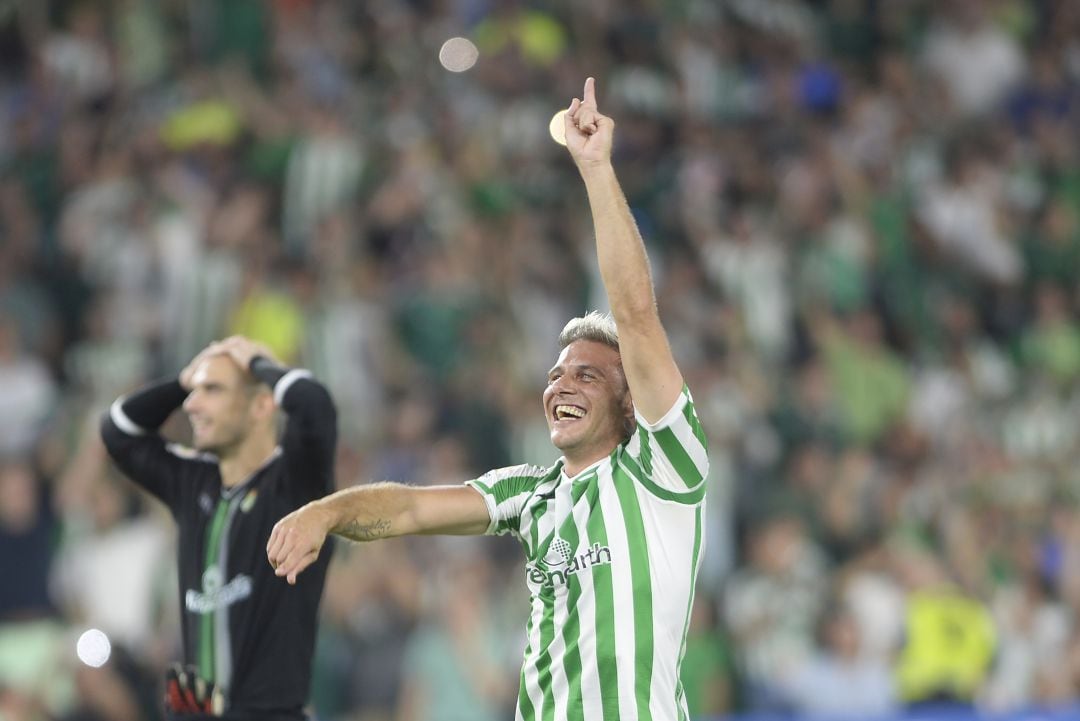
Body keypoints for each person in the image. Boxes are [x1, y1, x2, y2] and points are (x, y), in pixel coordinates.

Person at [268, 78, 709, 720]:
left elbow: (637, 315)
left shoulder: (666, 468)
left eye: (587, 375)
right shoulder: (531, 495)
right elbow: (411, 511)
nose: (561, 384)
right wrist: (327, 513)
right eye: (557, 374)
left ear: (629, 402)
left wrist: (594, 170)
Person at [100, 335, 337, 720]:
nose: (192, 405)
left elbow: (315, 406)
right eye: (194, 392)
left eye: (212, 390)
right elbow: (117, 431)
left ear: (262, 405)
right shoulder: (192, 481)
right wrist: (182, 380)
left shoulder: (294, 483)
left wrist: (260, 363)